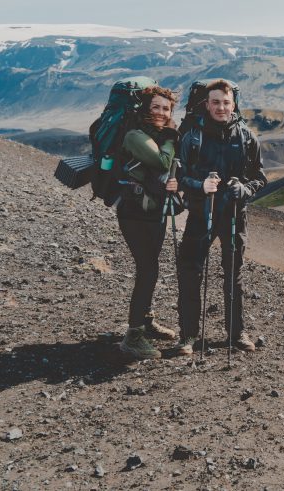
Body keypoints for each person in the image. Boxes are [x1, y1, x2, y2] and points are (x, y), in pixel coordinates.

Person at [176, 79, 267, 355]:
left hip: (234, 216)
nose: (221, 107)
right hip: (200, 214)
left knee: (233, 275)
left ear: (234, 104)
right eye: (215, 102)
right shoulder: (192, 136)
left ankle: (236, 333)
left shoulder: (247, 137)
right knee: (191, 273)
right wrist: (199, 186)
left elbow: (259, 177)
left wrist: (245, 188)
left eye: (226, 102)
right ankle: (188, 336)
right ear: (206, 104)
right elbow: (178, 176)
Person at [116, 85, 181, 360]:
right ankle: (133, 336)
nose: (161, 113)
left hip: (155, 212)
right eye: (156, 107)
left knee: (150, 269)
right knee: (148, 270)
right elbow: (162, 160)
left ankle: (146, 320)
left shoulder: (157, 134)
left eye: (166, 109)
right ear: (145, 108)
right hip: (134, 214)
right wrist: (169, 138)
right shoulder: (135, 136)